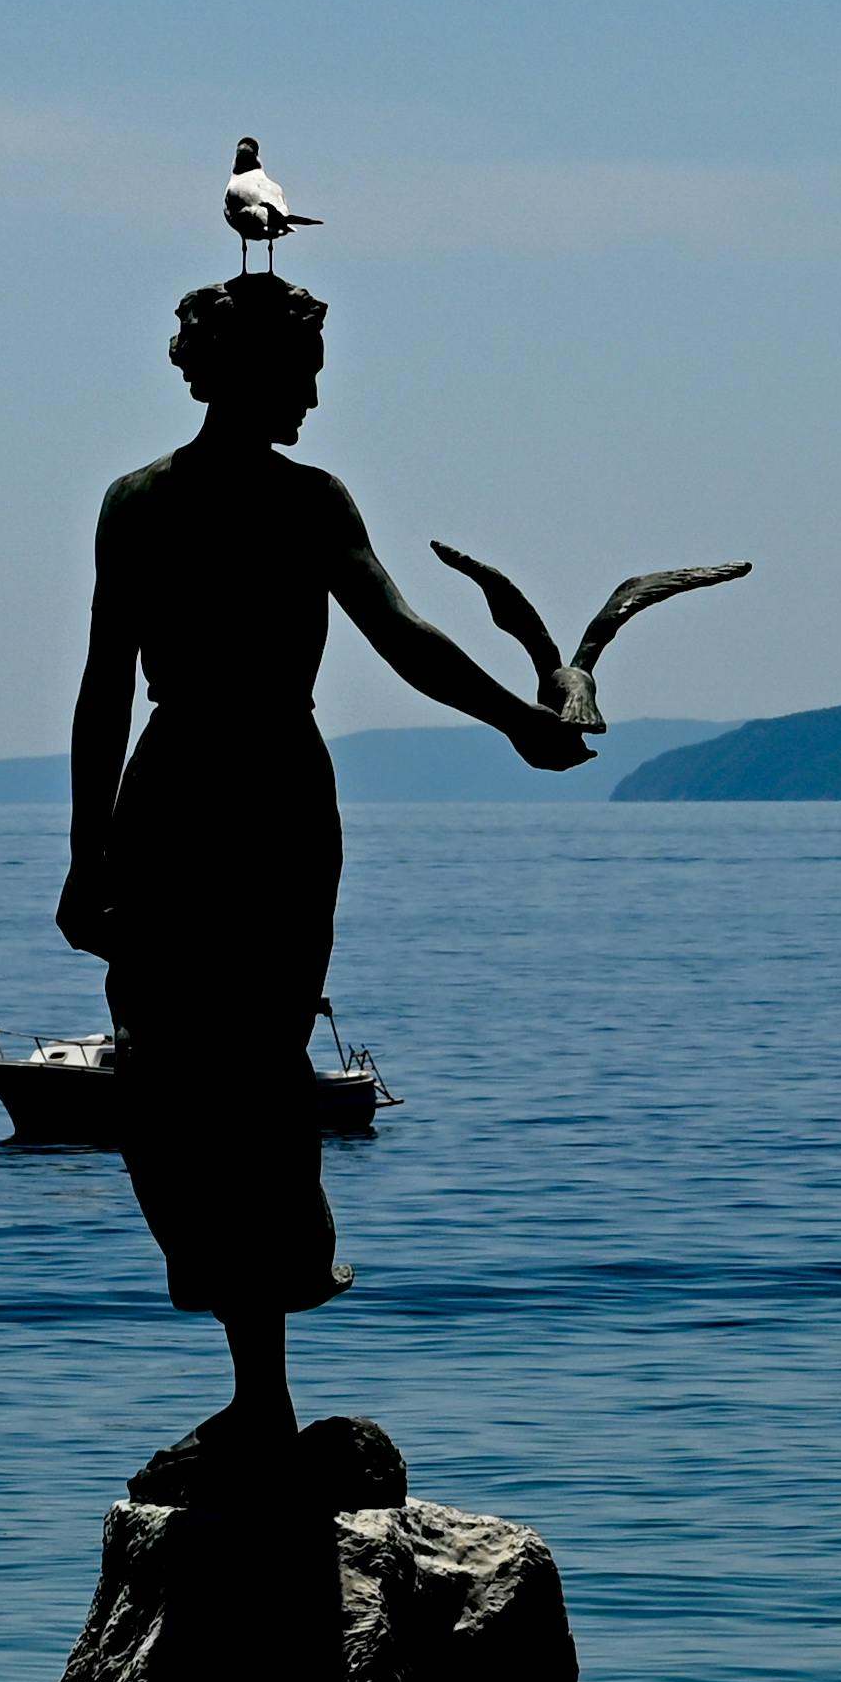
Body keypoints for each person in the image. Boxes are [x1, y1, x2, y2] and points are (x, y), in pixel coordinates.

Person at [57, 273, 593, 1473]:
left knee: (233, 1081)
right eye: (299, 365)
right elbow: (109, 682)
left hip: (222, 792)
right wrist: (86, 855)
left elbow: (399, 640)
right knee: (191, 1086)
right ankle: (258, 1389)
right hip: (226, 792)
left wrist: (513, 716)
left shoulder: (217, 501)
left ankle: (265, 1394)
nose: (312, 388)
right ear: (237, 370)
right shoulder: (189, 503)